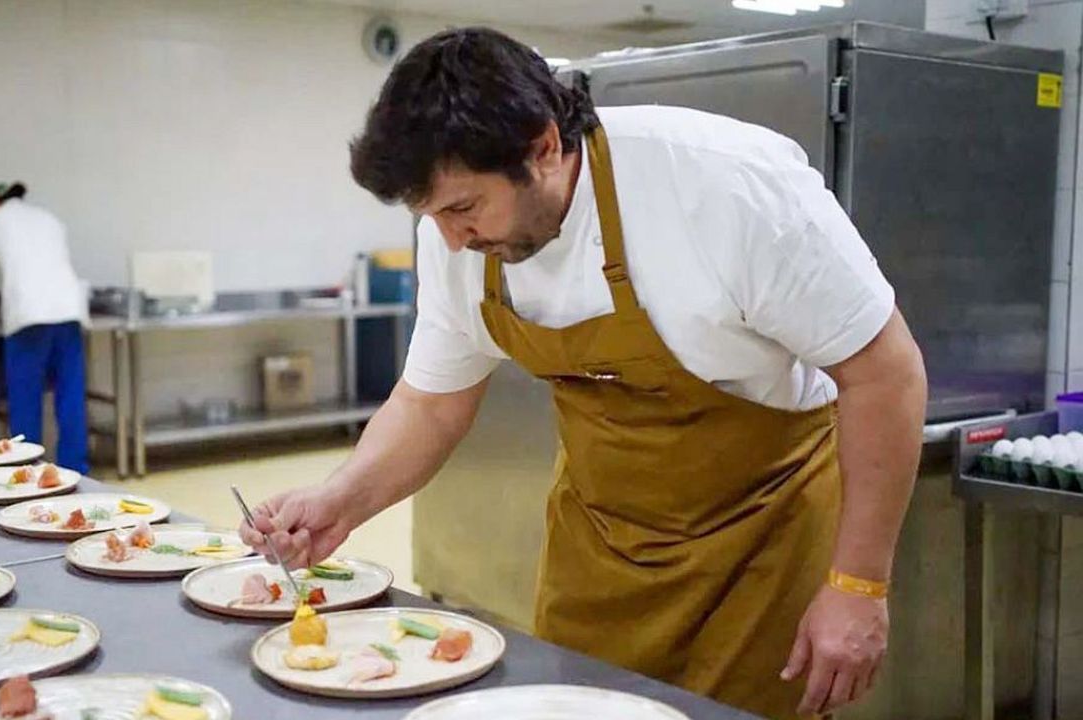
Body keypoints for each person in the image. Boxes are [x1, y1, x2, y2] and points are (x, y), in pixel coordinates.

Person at [240, 28, 926, 720]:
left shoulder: (725, 185)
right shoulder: (453, 238)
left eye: (463, 209)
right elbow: (430, 404)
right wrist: (340, 500)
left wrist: (858, 585)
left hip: (763, 538)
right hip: (603, 546)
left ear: (542, 146)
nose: (451, 239)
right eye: (432, 216)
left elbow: (885, 374)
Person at [0, 182, 89, 474]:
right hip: (69, 311)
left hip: (27, 316)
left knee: (25, 399)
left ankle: (27, 468)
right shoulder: (49, 219)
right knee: (71, 398)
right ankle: (76, 470)